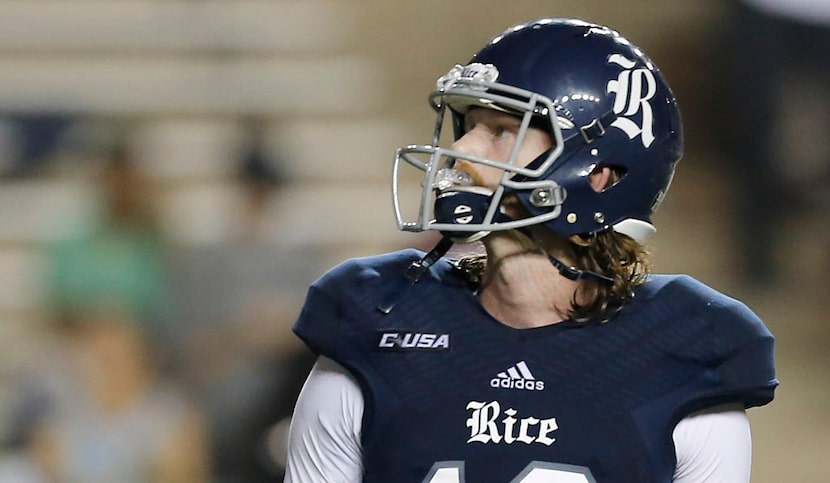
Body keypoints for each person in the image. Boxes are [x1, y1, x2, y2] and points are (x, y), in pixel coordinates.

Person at [284, 18, 778, 483]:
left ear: (598, 174)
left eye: (501, 131)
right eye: (470, 126)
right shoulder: (377, 320)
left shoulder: (686, 353)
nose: (464, 151)